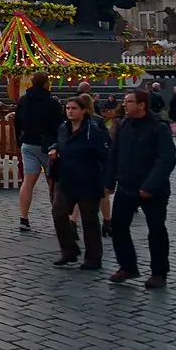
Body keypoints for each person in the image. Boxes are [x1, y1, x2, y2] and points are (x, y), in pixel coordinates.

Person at [105, 90, 176, 288]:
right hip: (126, 186)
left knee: (156, 230)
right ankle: (127, 266)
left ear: (142, 105)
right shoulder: (124, 125)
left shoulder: (158, 128)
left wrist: (150, 185)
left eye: (129, 102)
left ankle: (159, 273)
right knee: (118, 226)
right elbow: (115, 154)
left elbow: (167, 159)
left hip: (153, 190)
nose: (125, 105)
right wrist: (110, 181)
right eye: (125, 101)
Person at [48, 96, 110, 270]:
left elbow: (104, 154)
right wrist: (53, 148)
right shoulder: (63, 128)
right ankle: (69, 251)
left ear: (83, 110)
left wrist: (105, 179)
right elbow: (58, 143)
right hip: (66, 178)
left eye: (74, 108)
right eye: (68, 108)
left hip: (87, 180)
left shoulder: (92, 129)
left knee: (89, 220)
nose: (70, 111)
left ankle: (93, 257)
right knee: (58, 213)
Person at [14, 71, 64, 232]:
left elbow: (17, 122)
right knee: (53, 183)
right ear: (45, 83)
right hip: (48, 145)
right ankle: (58, 218)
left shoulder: (23, 100)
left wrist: (19, 140)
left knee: (28, 181)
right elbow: (59, 127)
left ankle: (23, 217)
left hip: (28, 142)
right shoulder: (53, 103)